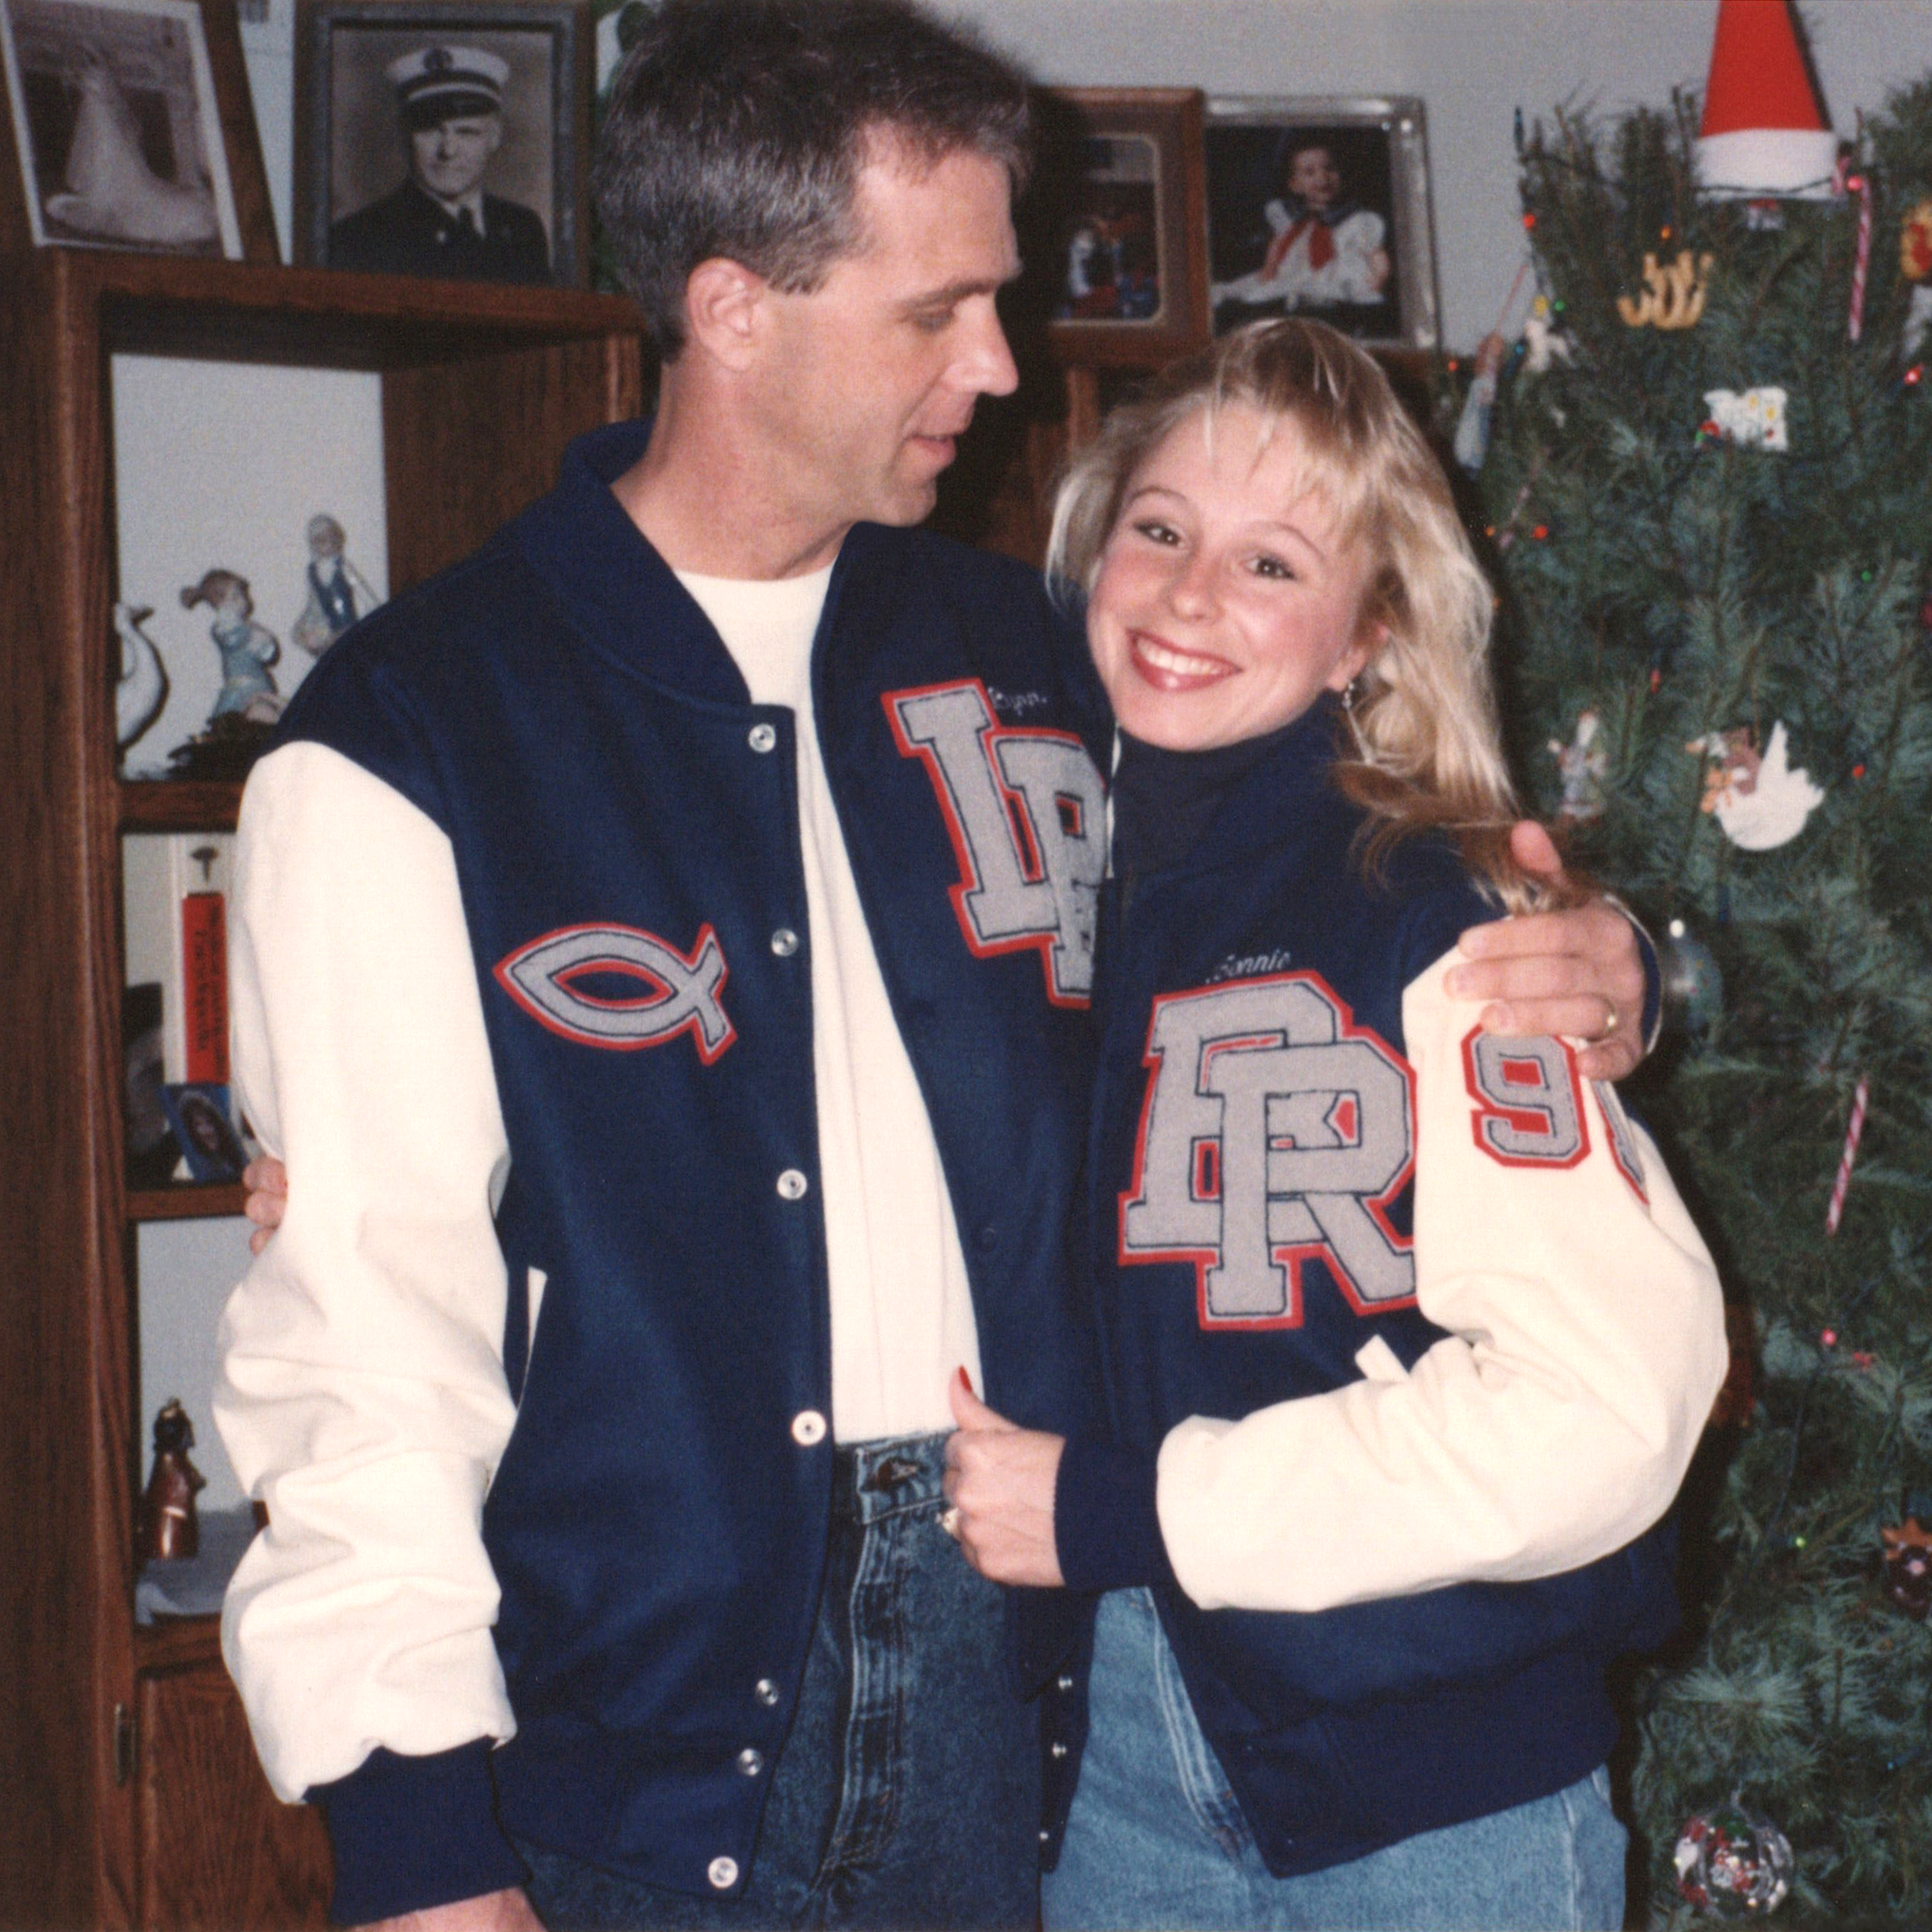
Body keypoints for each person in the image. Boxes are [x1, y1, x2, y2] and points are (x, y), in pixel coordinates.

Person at [217, 6, 1652, 1930]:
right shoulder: (415, 735)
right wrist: (411, 1843)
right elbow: (355, 1339)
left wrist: (1621, 959)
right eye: (936, 311)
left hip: (1045, 1673)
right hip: (640, 1717)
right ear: (730, 309)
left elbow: (1369, 835)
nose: (1002, 359)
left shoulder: (1058, 658)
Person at [942, 320, 1729, 1931]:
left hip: (1432, 1804)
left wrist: (1120, 1508)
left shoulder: (1442, 922)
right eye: (1159, 530)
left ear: (1370, 631)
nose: (1184, 595)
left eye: (1271, 564)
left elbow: (1606, 1407)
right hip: (1100, 1771)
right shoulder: (1015, 891)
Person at [328, 45, 551, 283]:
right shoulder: (358, 238)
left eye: (467, 132)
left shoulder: (522, 229)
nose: (448, 150)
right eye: (431, 130)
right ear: (404, 133)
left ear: (495, 136)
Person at [1211, 139, 1390, 327]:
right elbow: (1276, 251)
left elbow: (1376, 254)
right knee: (1263, 292)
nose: (1323, 177)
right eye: (1310, 172)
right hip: (1295, 278)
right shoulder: (1293, 222)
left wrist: (1377, 281)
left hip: (1336, 284)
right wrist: (1268, 272)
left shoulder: (1359, 221)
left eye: (1330, 168)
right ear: (1294, 185)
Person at [290, 513, 381, 659]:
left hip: (347, 626)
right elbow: (313, 602)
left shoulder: (343, 567)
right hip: (328, 628)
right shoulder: (313, 571)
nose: (327, 544)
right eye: (321, 540)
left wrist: (378, 615)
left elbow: (362, 592)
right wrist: (304, 627)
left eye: (331, 539)